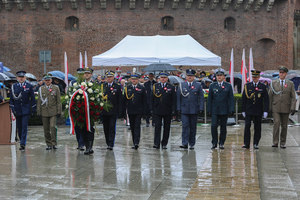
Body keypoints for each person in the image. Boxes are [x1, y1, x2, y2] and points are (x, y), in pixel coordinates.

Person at [269, 66, 296, 148]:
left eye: (283, 73)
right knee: (276, 123)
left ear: (286, 74)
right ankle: (275, 142)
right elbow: (270, 96)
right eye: (280, 73)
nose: (281, 74)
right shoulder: (273, 83)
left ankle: (283, 142)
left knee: (284, 126)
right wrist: (269, 108)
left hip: (286, 107)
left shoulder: (290, 84)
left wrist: (293, 107)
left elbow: (293, 97)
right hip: (276, 107)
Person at [177, 69, 204, 150]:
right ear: (186, 76)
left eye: (191, 76)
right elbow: (178, 97)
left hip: (194, 109)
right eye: (188, 76)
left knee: (193, 127)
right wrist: (178, 108)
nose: (190, 77)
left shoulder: (198, 85)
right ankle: (184, 143)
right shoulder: (182, 85)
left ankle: (192, 143)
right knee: (185, 126)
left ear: (194, 77)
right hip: (184, 109)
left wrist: (201, 107)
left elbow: (201, 98)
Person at [207, 69, 234, 150]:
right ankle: (214, 143)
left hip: (224, 110)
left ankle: (221, 143)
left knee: (223, 127)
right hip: (215, 110)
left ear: (223, 77)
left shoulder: (228, 86)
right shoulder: (212, 85)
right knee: (213, 126)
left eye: (220, 75)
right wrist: (209, 109)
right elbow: (209, 99)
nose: (219, 77)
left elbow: (231, 99)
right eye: (217, 76)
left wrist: (231, 109)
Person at [241, 70, 269, 149]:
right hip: (249, 110)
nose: (255, 78)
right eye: (253, 77)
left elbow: (266, 99)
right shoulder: (247, 86)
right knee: (247, 126)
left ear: (259, 77)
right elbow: (244, 99)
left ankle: (256, 143)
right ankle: (246, 143)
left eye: (256, 77)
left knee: (257, 127)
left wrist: (266, 111)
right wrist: (243, 110)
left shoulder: (262, 86)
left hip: (258, 110)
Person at [9, 71, 36, 151]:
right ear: (17, 78)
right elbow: (11, 100)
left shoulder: (29, 86)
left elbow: (32, 99)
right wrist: (13, 109)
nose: (21, 78)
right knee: (19, 128)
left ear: (25, 78)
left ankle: (22, 144)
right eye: (19, 77)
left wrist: (33, 108)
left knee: (24, 127)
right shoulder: (14, 86)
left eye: (22, 77)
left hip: (25, 110)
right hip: (17, 110)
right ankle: (21, 140)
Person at [37, 74, 62, 150]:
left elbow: (58, 100)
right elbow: (39, 101)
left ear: (51, 80)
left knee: (52, 127)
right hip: (44, 111)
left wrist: (59, 111)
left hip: (53, 111)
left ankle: (54, 143)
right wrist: (38, 111)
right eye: (46, 80)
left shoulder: (56, 88)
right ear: (44, 81)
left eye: (49, 80)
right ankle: (48, 144)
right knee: (46, 129)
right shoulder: (41, 89)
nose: (47, 81)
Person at [152, 72, 176, 149]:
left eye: (164, 77)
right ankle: (156, 143)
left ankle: (164, 143)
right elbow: (151, 98)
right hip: (157, 110)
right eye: (161, 77)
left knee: (166, 128)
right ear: (159, 78)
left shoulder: (171, 87)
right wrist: (152, 109)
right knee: (157, 127)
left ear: (167, 78)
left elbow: (173, 100)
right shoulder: (155, 86)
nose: (163, 79)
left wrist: (173, 110)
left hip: (167, 110)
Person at [124, 74, 147, 149]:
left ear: (138, 80)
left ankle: (136, 142)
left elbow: (144, 101)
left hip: (138, 110)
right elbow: (124, 100)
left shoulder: (141, 88)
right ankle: (134, 141)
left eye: (135, 79)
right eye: (133, 79)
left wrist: (144, 112)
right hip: (130, 110)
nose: (134, 80)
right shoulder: (128, 88)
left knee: (137, 126)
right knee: (132, 127)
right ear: (131, 79)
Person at [102, 71, 122, 150]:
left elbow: (120, 100)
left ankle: (111, 143)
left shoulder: (117, 86)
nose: (109, 78)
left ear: (113, 77)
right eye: (108, 77)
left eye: (110, 77)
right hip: (104, 111)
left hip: (113, 111)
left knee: (112, 127)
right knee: (105, 128)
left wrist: (120, 111)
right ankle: (107, 142)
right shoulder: (103, 86)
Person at [70, 68, 85, 151]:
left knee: (83, 126)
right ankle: (79, 142)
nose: (80, 75)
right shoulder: (73, 83)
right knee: (77, 127)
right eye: (79, 74)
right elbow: (69, 92)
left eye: (81, 74)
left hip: (84, 107)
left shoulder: (86, 83)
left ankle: (82, 142)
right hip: (75, 107)